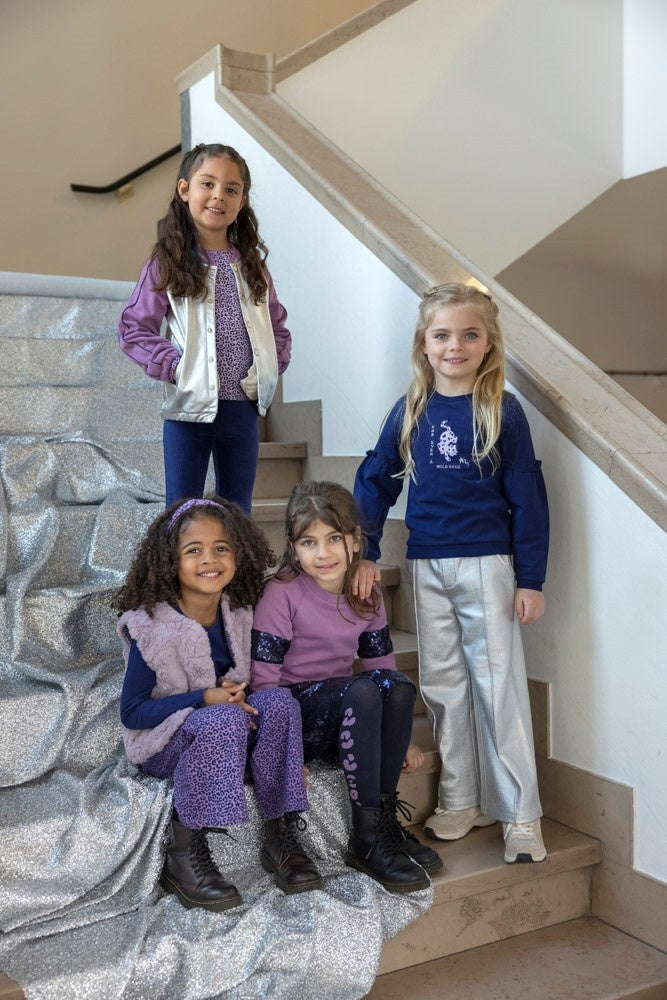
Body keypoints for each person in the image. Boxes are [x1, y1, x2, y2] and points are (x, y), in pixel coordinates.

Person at [353, 282, 549, 864]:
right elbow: (376, 480)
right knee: (442, 684)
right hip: (425, 563)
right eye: (442, 335)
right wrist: (366, 549)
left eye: (469, 335)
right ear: (424, 343)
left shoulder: (502, 410)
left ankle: (520, 814)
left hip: (487, 564)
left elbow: (528, 499)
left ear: (488, 344)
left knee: (497, 686)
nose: (454, 346)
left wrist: (531, 579)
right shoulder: (410, 410)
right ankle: (463, 799)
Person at [116, 496, 321, 911]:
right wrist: (204, 699)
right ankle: (183, 853)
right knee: (222, 719)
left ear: (238, 554)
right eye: (194, 550)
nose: (209, 559)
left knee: (279, 701)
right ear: (170, 561)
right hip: (167, 745)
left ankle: (279, 834)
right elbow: (133, 713)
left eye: (221, 547)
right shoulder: (152, 628)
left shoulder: (239, 613)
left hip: (227, 732)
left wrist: (237, 700)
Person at [250, 481, 442, 894]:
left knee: (398, 686)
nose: (323, 554)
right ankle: (366, 841)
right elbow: (263, 684)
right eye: (309, 542)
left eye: (334, 538)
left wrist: (400, 740)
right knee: (362, 691)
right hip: (296, 716)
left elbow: (381, 665)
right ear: (293, 548)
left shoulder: (365, 590)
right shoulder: (281, 594)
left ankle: (383, 822)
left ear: (355, 541)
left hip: (347, 712)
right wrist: (284, 750)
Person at [118, 143, 291, 512]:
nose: (218, 196)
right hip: (189, 412)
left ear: (242, 201)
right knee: (181, 511)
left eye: (231, 189)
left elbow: (276, 325)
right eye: (207, 184)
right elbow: (134, 326)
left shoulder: (253, 266)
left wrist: (269, 367)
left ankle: (237, 556)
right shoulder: (168, 262)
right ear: (185, 190)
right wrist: (175, 366)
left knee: (238, 512)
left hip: (243, 410)